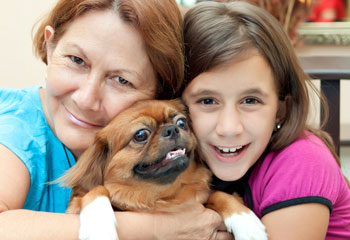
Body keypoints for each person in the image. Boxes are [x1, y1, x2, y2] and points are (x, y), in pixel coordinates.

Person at [0, 0, 232, 239]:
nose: (86, 99)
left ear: (158, 93)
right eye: (77, 60)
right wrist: (156, 228)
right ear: (51, 46)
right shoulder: (16, 131)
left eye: (121, 80)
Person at [182, 1, 350, 239]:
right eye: (208, 101)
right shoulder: (181, 164)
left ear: (281, 109)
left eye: (250, 101)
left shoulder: (303, 162)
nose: (229, 128)